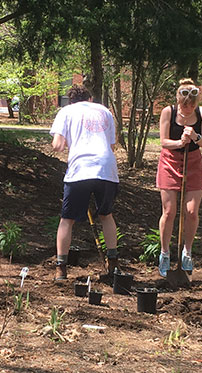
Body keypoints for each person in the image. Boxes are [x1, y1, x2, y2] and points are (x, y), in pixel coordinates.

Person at [50, 84, 120, 280]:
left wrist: (65, 144)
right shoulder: (104, 110)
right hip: (106, 167)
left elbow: (57, 145)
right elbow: (112, 145)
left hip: (80, 169)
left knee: (67, 219)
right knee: (106, 215)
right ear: (90, 99)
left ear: (71, 101)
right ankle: (113, 263)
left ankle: (61, 268)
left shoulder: (66, 111)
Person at [156, 78, 202, 277]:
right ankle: (164, 253)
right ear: (178, 101)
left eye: (191, 106)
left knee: (191, 211)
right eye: (184, 105)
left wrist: (195, 136)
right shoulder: (168, 112)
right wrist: (179, 142)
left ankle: (187, 251)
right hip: (170, 161)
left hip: (193, 162)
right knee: (169, 211)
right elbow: (163, 141)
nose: (187, 109)